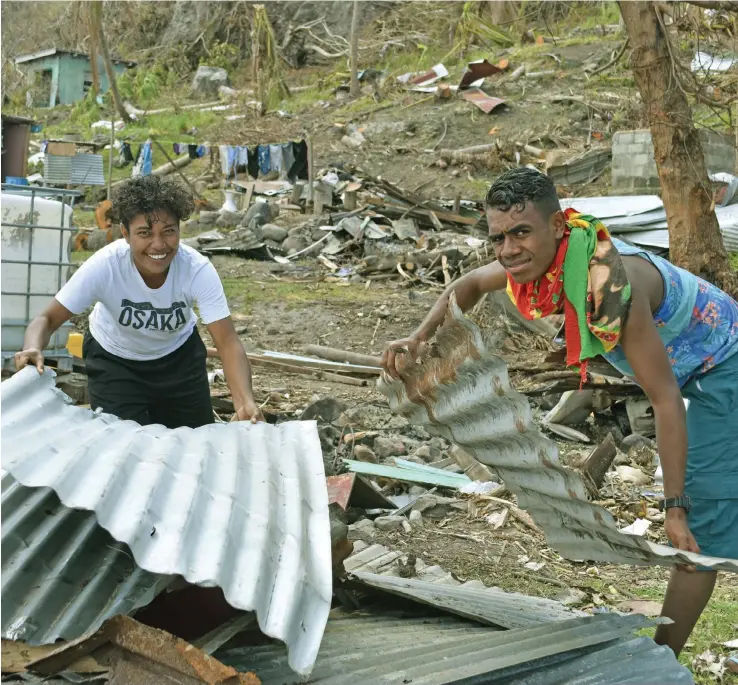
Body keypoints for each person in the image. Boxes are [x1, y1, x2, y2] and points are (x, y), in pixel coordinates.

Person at [382, 167, 738, 656]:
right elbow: (465, 285)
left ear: (557, 226)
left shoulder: (611, 287)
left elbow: (665, 401)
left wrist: (673, 508)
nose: (508, 249)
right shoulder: (536, 270)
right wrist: (419, 337)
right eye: (499, 237)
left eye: (521, 232)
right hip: (688, 374)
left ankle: (662, 661)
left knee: (700, 527)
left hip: (723, 369)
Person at [15, 175, 264, 428]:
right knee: (124, 445)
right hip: (115, 363)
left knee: (195, 441)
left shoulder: (196, 269)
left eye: (168, 231)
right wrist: (33, 347)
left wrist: (244, 401)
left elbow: (228, 342)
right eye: (144, 233)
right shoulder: (106, 266)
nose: (158, 244)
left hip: (179, 361)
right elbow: (46, 319)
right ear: (125, 233)